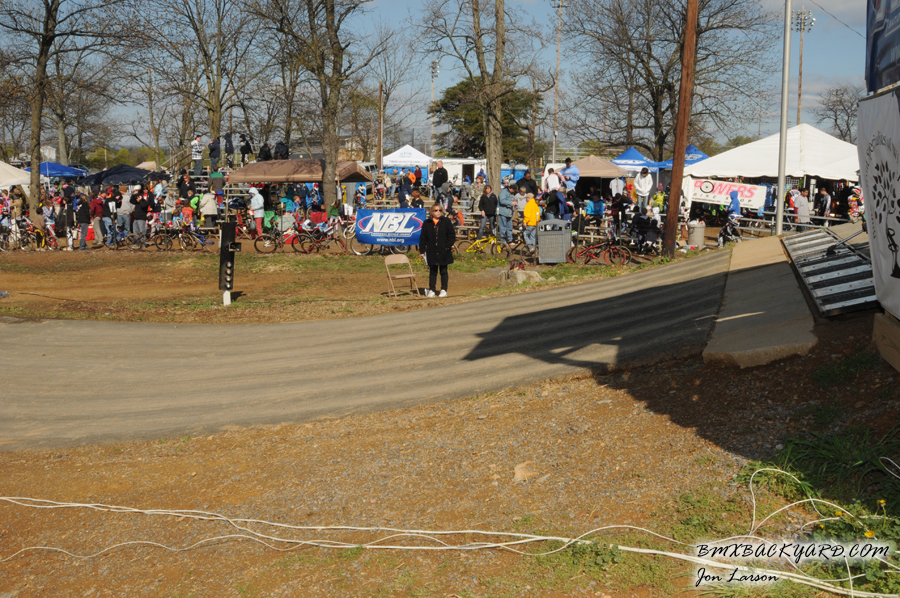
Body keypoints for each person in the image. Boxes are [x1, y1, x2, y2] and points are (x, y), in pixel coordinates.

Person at [419, 203, 455, 298]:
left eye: (440, 210)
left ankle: (444, 290)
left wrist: (447, 246)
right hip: (431, 251)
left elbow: (452, 236)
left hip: (444, 251)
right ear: (432, 212)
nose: (438, 212)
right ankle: (432, 290)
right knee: (433, 271)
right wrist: (422, 251)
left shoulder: (446, 222)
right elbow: (423, 238)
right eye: (436, 210)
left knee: (443, 270)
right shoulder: (427, 223)